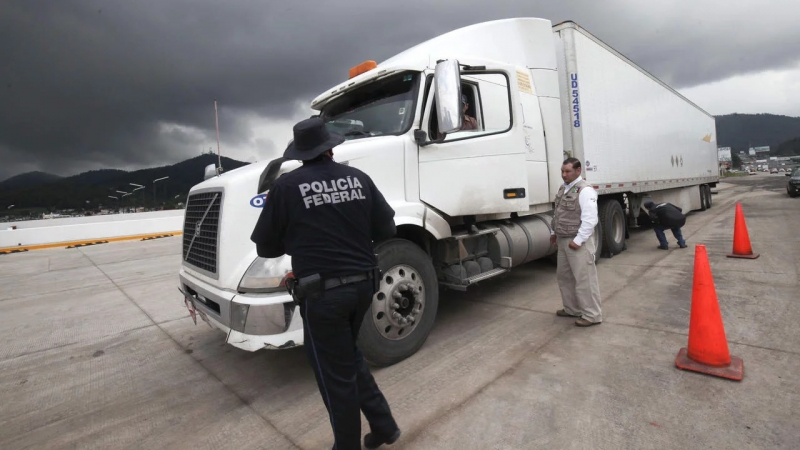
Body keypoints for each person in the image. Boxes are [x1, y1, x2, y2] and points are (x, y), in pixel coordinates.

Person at [250, 117, 401, 450]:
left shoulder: (286, 187)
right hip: (364, 286)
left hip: (323, 296)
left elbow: (266, 247)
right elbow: (387, 230)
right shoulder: (359, 178)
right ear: (330, 148)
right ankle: (384, 426)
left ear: (300, 153)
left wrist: (302, 240)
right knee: (347, 359)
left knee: (334, 376)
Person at [549, 157, 603, 327]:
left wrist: (578, 240)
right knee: (564, 277)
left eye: (568, 171)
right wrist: (553, 232)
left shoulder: (585, 191)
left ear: (578, 171)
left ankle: (592, 315)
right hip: (563, 239)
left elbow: (590, 219)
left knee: (584, 279)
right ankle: (572, 309)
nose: (564, 175)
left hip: (577, 242)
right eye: (562, 171)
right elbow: (558, 213)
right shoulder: (564, 189)